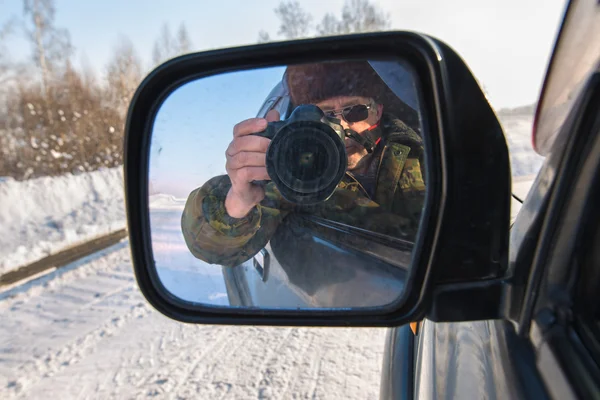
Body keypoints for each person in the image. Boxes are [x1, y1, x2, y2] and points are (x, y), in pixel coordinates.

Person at [181, 61, 426, 268]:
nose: (343, 126)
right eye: (327, 115)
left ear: (378, 110)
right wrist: (236, 201)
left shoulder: (429, 155)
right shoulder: (292, 176)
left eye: (356, 111)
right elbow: (210, 248)